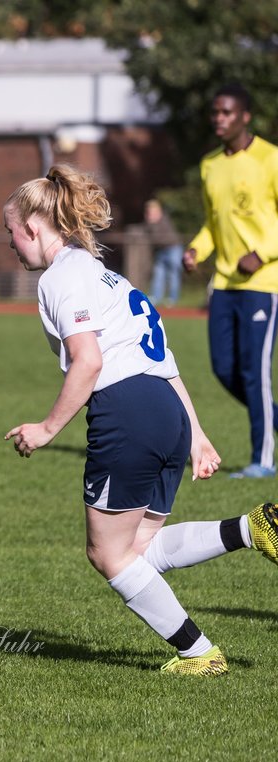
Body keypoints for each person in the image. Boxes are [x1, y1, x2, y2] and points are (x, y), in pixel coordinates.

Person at [3, 163, 278, 677]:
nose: (11, 244)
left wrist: (46, 429)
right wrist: (195, 434)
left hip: (126, 412)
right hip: (166, 409)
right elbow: (163, 360)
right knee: (140, 550)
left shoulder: (62, 278)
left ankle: (200, 654)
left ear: (34, 229)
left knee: (107, 554)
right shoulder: (107, 274)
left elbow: (89, 361)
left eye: (11, 232)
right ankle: (251, 528)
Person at [184, 83, 278, 479]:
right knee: (224, 369)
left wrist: (263, 253)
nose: (219, 119)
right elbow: (213, 223)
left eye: (226, 112)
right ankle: (272, 418)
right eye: (214, 112)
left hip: (264, 281)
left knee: (255, 373)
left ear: (245, 116)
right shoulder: (209, 165)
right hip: (223, 285)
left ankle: (263, 461)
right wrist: (196, 250)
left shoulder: (270, 159)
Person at [143, 199, 183, 305]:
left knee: (173, 274)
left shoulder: (163, 220)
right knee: (158, 274)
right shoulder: (151, 223)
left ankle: (172, 298)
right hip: (162, 251)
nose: (149, 214)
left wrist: (151, 222)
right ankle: (155, 297)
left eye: (152, 211)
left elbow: (157, 236)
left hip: (173, 249)